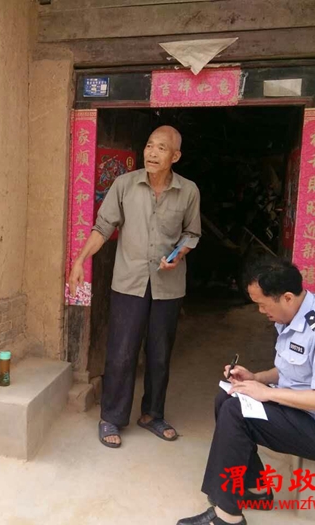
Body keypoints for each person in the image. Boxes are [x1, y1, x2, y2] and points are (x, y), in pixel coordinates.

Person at [177, 258, 315, 525]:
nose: (260, 311)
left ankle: (227, 517)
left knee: (236, 412)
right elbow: (292, 371)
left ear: (287, 297)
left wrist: (267, 393)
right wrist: (255, 378)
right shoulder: (292, 315)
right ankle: (256, 489)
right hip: (308, 414)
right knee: (229, 395)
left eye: (263, 304)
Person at [69, 125, 201, 448]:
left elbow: (191, 233)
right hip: (129, 282)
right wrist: (80, 260)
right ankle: (111, 417)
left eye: (161, 148)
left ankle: (152, 414)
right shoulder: (124, 185)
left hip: (168, 286)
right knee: (122, 352)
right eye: (149, 145)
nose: (152, 153)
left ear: (175, 156)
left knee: (159, 354)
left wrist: (178, 254)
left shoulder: (188, 191)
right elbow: (103, 227)